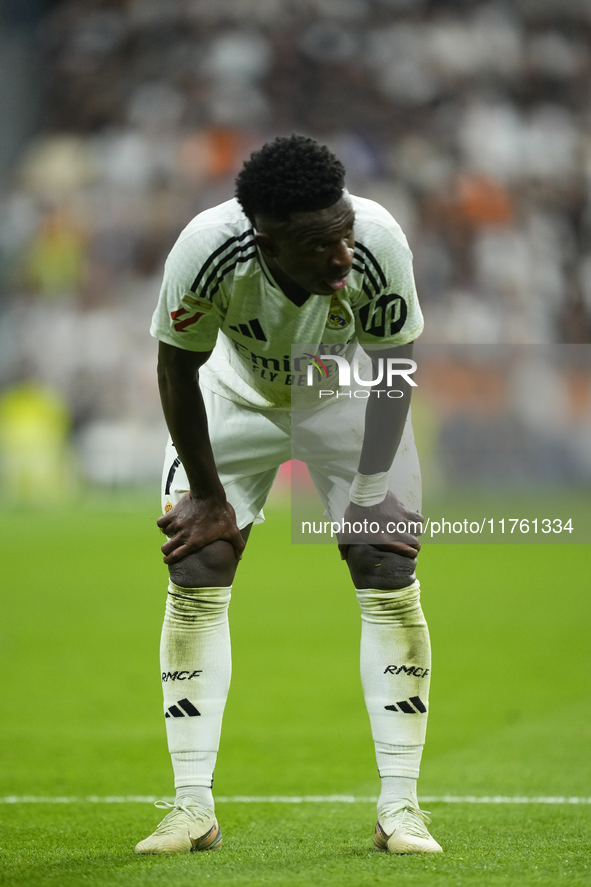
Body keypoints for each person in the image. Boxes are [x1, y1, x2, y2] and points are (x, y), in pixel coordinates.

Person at [135, 134, 442, 856]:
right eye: (317, 245)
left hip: (343, 396)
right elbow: (176, 370)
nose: (341, 255)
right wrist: (208, 496)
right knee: (197, 561)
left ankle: (400, 806)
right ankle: (191, 808)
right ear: (265, 240)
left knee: (386, 563)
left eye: (342, 233)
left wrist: (369, 492)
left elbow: (396, 364)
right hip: (233, 401)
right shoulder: (207, 249)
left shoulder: (375, 239)